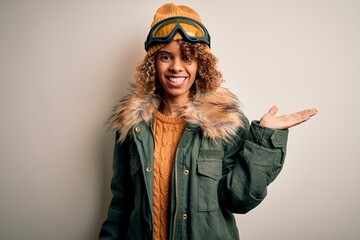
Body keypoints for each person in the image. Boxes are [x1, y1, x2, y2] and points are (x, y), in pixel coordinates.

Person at [99, 3, 317, 240]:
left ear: (201, 64)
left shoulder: (222, 122)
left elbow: (239, 199)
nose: (176, 67)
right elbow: (121, 205)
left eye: (188, 57)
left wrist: (263, 142)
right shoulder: (133, 126)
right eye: (165, 56)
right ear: (153, 64)